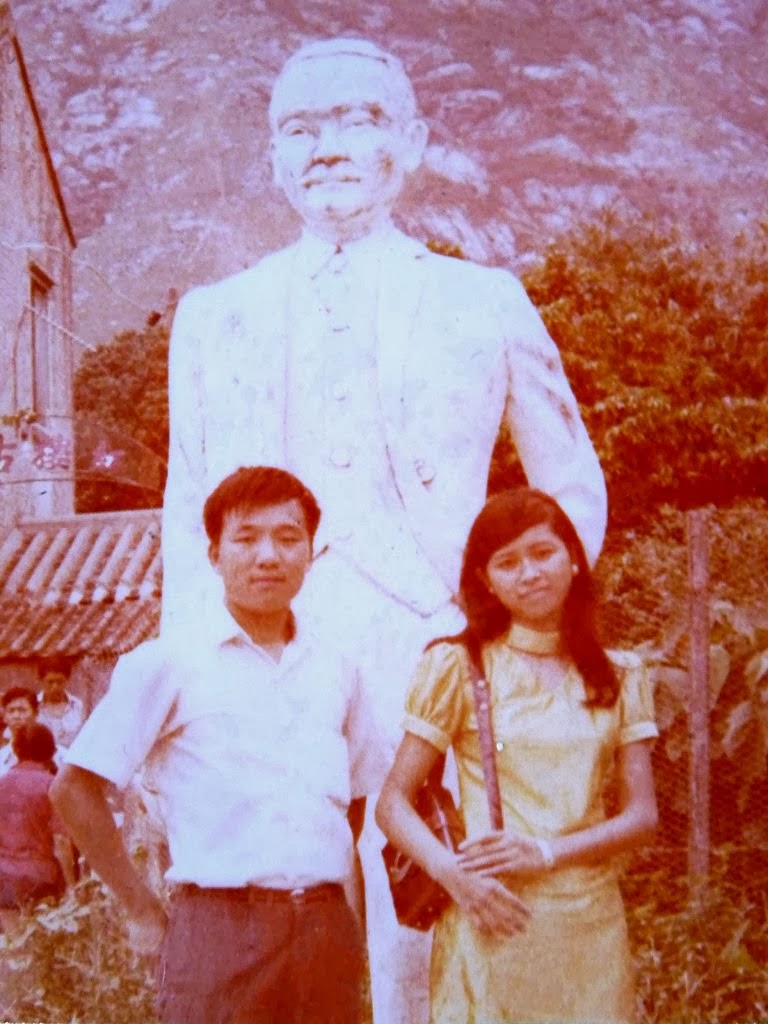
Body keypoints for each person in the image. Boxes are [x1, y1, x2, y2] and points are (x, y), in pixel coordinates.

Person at [161, 35, 608, 1024]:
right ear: (273, 157)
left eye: (357, 119)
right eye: (300, 128)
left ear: (410, 142)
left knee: (434, 904)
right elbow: (185, 509)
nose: (326, 147)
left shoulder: (482, 300)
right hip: (269, 659)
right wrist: (183, 682)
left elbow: (570, 483)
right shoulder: (213, 316)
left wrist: (526, 634)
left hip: (433, 642)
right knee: (280, 901)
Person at [52, 466, 385, 1024]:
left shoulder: (338, 670)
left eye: (288, 538)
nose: (268, 556)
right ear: (214, 555)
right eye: (246, 538)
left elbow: (352, 800)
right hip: (219, 931)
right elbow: (74, 789)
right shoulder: (168, 662)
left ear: (311, 551)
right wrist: (140, 910)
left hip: (324, 933)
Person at [376, 488, 658, 1024]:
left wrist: (545, 853)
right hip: (492, 915)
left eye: (542, 553)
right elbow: (392, 803)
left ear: (573, 559)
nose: (529, 573)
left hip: (590, 929)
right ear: (486, 580)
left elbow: (642, 816)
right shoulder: (459, 667)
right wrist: (454, 877)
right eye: (507, 563)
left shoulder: (620, 675)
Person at [0, 722, 76, 932]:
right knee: (40, 943)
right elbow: (61, 842)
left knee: (12, 940)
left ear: (16, 750)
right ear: (51, 751)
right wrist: (71, 885)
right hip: (40, 880)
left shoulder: (2, 784)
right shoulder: (52, 787)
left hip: (3, 878)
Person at [37, 671, 85, 750]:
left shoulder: (77, 706)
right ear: (41, 681)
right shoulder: (33, 705)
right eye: (50, 682)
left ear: (67, 680)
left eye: (60, 682)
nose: (55, 687)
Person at [0, 686, 40, 775]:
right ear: (5, 717)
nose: (16, 716)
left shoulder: (58, 756)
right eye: (11, 711)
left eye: (22, 710)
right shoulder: (1, 757)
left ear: (36, 713)